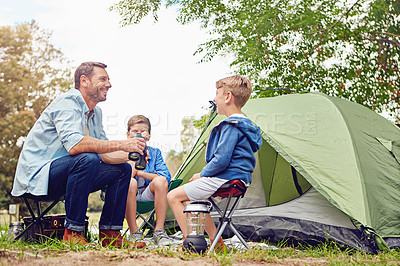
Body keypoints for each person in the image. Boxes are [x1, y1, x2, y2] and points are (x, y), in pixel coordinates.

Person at [11, 62, 146, 248]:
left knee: (122, 169)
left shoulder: (95, 113)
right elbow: (75, 145)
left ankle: (110, 235)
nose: (109, 84)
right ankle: (73, 232)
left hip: (70, 173)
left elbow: (105, 155)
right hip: (37, 177)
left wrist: (131, 154)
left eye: (109, 80)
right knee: (87, 157)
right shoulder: (68, 102)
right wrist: (123, 143)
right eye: (103, 79)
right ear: (84, 81)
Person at [167, 75, 262, 252]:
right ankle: (215, 242)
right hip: (240, 179)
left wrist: (202, 174)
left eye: (217, 93)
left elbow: (221, 159)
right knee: (191, 201)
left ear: (227, 97)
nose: (214, 98)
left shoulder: (231, 125)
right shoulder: (246, 125)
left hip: (225, 177)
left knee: (173, 196)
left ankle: (191, 242)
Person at [124, 115, 175, 245]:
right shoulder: (122, 151)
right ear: (128, 135)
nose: (139, 134)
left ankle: (159, 230)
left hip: (149, 194)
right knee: (130, 182)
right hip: (129, 194)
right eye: (135, 131)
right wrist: (131, 160)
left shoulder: (155, 152)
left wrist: (140, 172)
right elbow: (120, 178)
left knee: (160, 181)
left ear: (149, 136)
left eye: (143, 131)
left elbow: (165, 177)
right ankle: (134, 232)